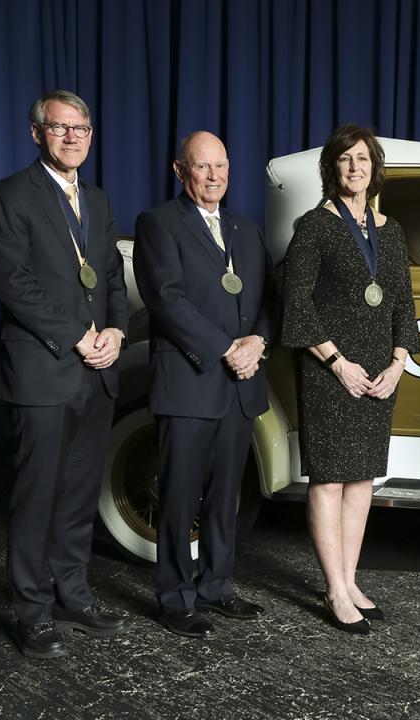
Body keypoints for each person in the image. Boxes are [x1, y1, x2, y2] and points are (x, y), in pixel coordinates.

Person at [0, 90, 130, 658]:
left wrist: (116, 331)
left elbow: (112, 274)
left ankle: (71, 592)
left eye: (81, 128)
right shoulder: (9, 196)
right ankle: (31, 609)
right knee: (37, 494)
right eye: (59, 127)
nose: (72, 137)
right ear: (37, 133)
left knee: (76, 495)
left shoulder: (96, 198)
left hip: (98, 368)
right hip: (44, 369)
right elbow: (14, 283)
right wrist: (77, 337)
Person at [281, 124, 420, 635]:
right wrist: (338, 364)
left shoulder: (390, 229)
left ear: (374, 167)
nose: (354, 168)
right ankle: (336, 590)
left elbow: (404, 304)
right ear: (332, 169)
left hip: (378, 375)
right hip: (331, 372)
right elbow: (295, 307)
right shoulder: (314, 226)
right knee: (329, 479)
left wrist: (398, 364)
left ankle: (350, 578)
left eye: (362, 159)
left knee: (362, 478)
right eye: (344, 160)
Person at [133, 131, 270, 638]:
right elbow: (166, 300)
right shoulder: (157, 224)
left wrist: (257, 341)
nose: (214, 177)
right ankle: (174, 596)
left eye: (221, 166)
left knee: (226, 495)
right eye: (202, 167)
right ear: (179, 170)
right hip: (190, 382)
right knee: (179, 495)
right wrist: (226, 349)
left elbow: (267, 304)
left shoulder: (247, 230)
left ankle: (216, 585)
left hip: (239, 387)